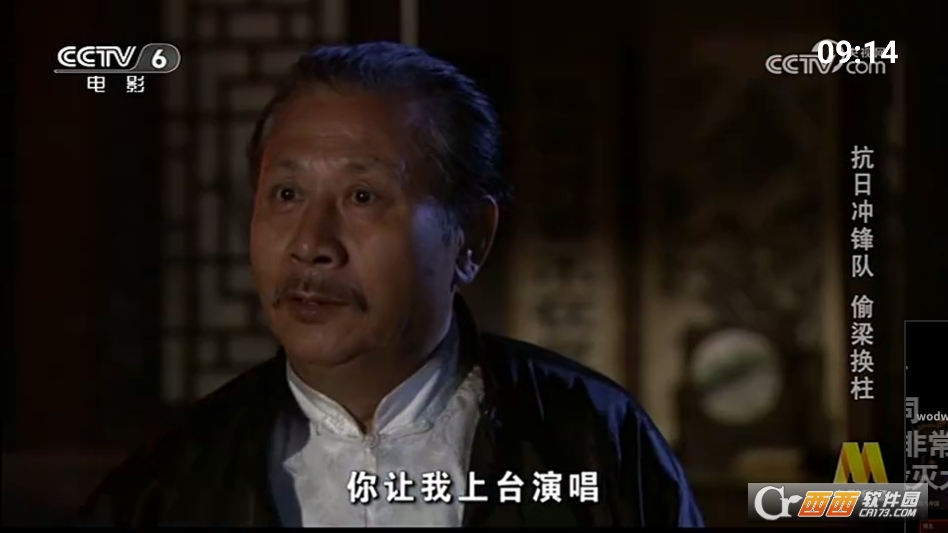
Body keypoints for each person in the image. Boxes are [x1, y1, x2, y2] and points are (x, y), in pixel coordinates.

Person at [80, 42, 704, 527]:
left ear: (471, 237)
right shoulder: (168, 482)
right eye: (287, 194)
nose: (310, 244)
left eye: (362, 196)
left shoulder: (593, 441)